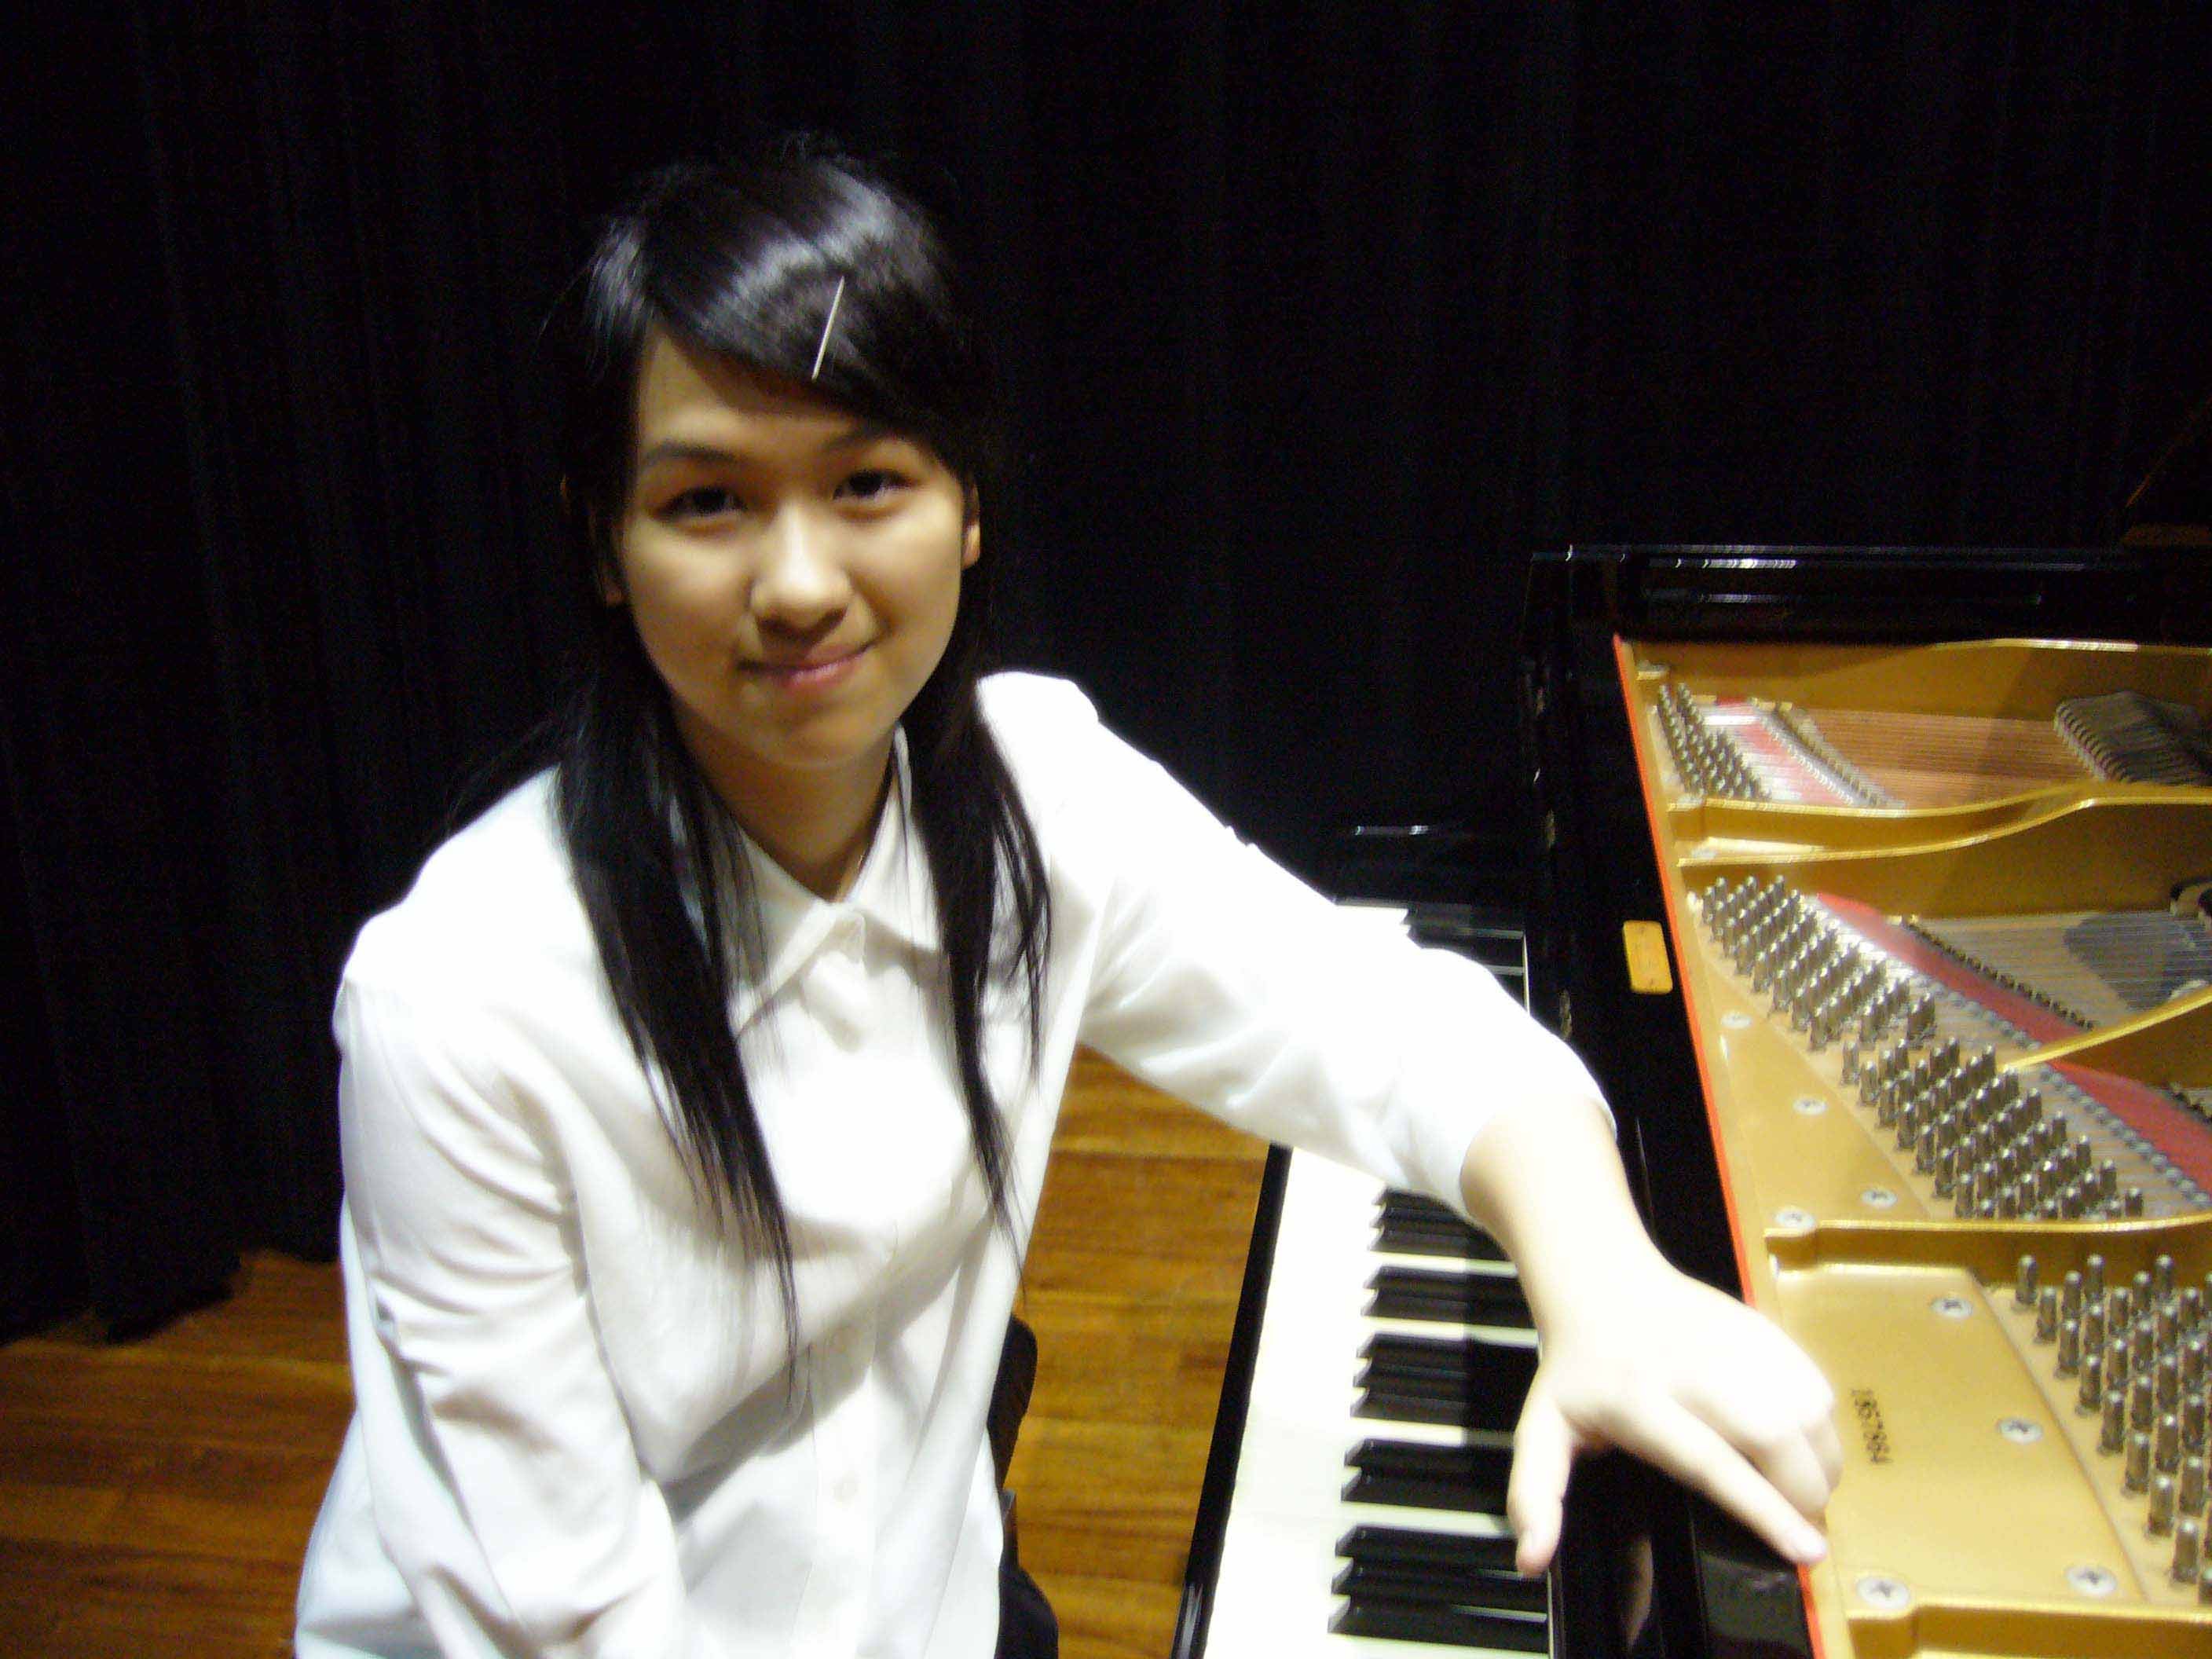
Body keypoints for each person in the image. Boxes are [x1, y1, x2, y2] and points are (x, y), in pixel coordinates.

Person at [294, 141, 1840, 1659]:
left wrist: (1609, 1285)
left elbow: (1392, 1028)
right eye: (708, 503)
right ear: (603, 546)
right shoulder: (464, 1006)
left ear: (967, 506)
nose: (800, 582)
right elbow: (564, 1619)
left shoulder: (1035, 793)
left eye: (867, 482)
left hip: (932, 1592)